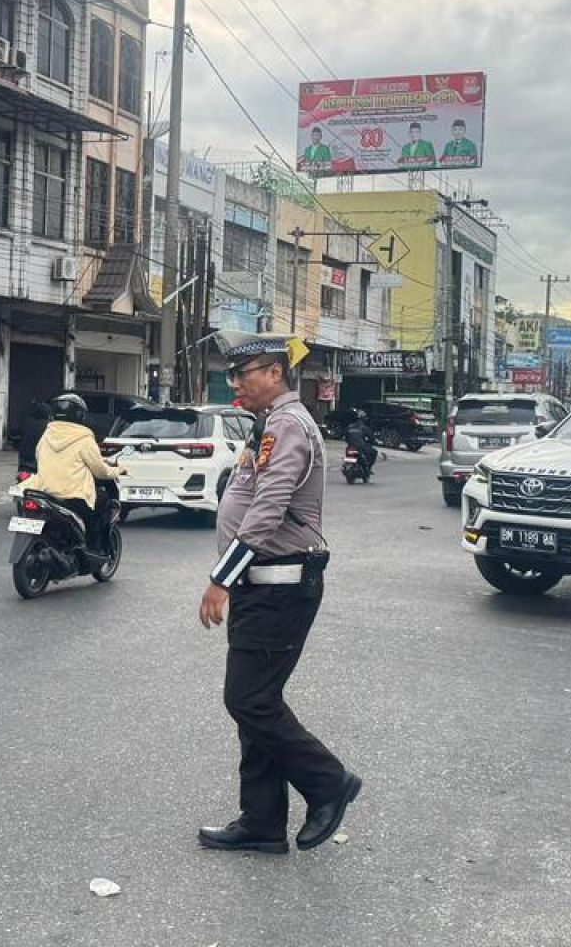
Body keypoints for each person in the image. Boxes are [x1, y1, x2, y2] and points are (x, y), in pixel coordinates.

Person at [196, 331, 360, 856]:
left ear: (273, 373)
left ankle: (328, 782)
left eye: (241, 375)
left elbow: (268, 507)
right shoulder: (272, 424)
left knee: (248, 699)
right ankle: (263, 821)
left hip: (279, 585)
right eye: (232, 376)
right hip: (263, 585)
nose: (235, 385)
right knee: (254, 702)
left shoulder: (288, 425)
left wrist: (222, 577)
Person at [20, 392, 123, 553]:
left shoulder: (47, 434)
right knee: (104, 502)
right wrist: (117, 471)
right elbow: (100, 471)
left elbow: (38, 457)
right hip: (74, 497)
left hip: (45, 493)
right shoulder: (84, 439)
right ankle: (94, 547)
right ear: (80, 415)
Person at [16, 398, 52, 477]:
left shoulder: (27, 423)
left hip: (24, 461)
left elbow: (16, 435)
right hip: (39, 462)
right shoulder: (49, 426)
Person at [342, 408, 379, 478]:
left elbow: (345, 437)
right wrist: (372, 442)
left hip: (350, 447)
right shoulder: (364, 428)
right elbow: (371, 438)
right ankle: (368, 468)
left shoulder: (349, 427)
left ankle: (365, 468)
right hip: (361, 447)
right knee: (374, 452)